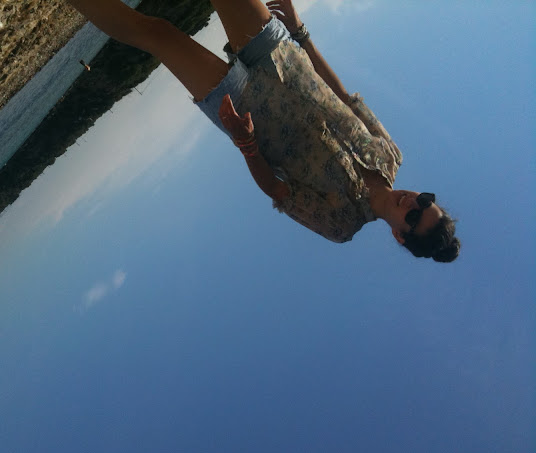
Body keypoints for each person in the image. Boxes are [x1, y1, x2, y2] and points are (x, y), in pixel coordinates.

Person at [67, 0, 460, 262]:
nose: (412, 204)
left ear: (400, 237)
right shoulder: (390, 154)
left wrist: (246, 143)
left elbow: (276, 190)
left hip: (242, 104)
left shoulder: (341, 224)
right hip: (281, 57)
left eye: (413, 219)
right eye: (425, 202)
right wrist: (301, 31)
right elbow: (343, 96)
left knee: (158, 33)